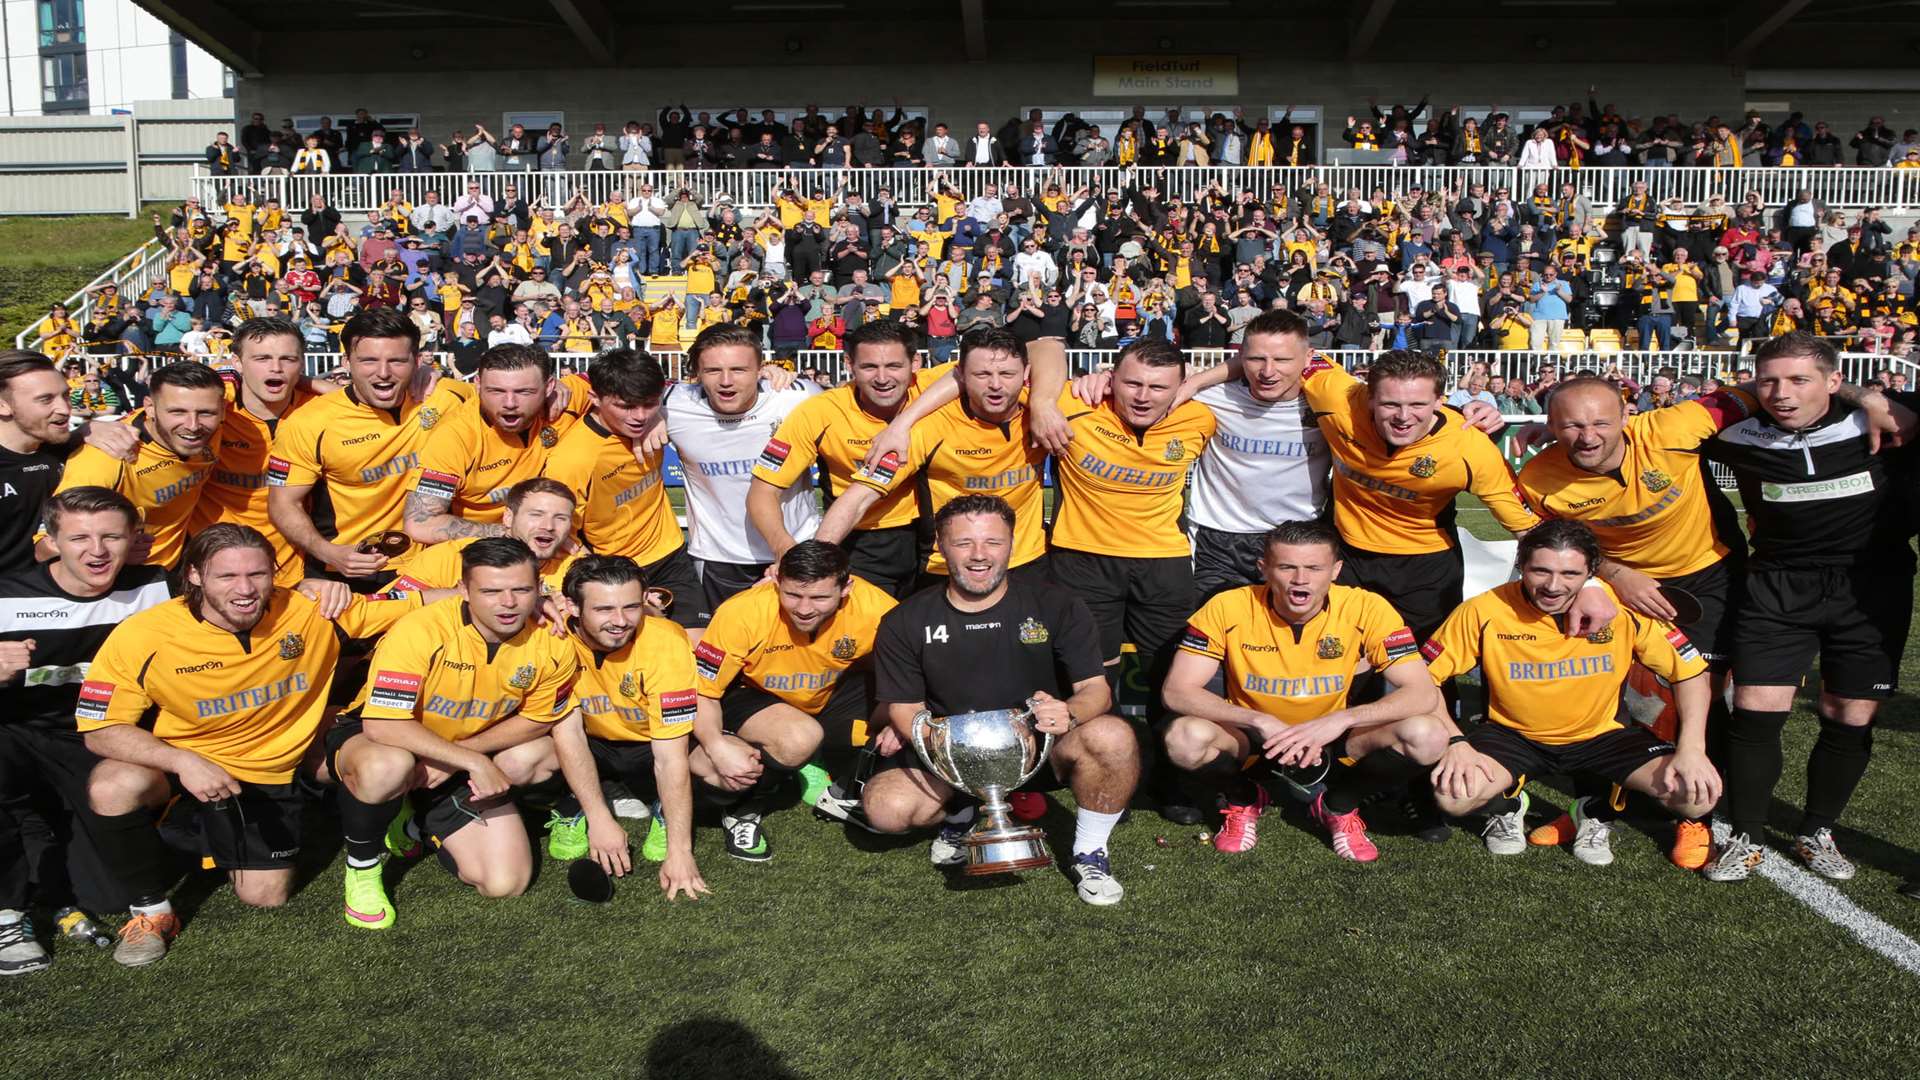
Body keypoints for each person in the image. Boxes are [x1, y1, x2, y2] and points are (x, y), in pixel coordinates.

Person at [78, 525, 421, 964]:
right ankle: (151, 911)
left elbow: (422, 601)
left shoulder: (309, 610)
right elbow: (98, 728)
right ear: (196, 576)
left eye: (257, 574)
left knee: (265, 896)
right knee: (112, 785)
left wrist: (528, 592)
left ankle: (208, 838)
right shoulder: (142, 633)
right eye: (227, 577)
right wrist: (181, 760)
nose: (245, 589)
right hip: (185, 765)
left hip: (267, 772)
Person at [1701, 333, 1918, 882]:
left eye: (1799, 379)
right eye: (1769, 379)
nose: (1782, 393)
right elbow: (1644, 436)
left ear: (1833, 382)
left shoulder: (1891, 425)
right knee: (1755, 709)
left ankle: (1817, 829)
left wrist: (1874, 401)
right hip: (1776, 585)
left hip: (1872, 588)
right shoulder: (1734, 434)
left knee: (1850, 715)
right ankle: (1746, 835)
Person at [863, 495, 1139, 906]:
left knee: (1113, 736)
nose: (979, 556)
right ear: (940, 544)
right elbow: (904, 708)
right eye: (963, 543)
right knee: (888, 810)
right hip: (951, 756)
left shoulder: (1057, 604)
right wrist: (937, 744)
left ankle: (1090, 852)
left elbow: (1094, 689)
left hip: (1039, 748)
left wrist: (1069, 713)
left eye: (993, 542)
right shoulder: (905, 620)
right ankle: (965, 812)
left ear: (1013, 542)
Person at [1424, 521, 1721, 865]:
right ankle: (1509, 804)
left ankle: (1593, 809)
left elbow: (1692, 674)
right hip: (1515, 735)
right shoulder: (1483, 611)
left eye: (1569, 573)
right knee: (1453, 796)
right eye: (1541, 571)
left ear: (1591, 572)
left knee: (1695, 796)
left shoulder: (1621, 608)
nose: (1553, 585)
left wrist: (1693, 749)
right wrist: (1456, 743)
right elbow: (1423, 679)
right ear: (1521, 564)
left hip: (1603, 736)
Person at [324, 538, 581, 929]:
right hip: (382, 739)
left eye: (521, 589)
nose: (508, 602)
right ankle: (363, 868)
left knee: (505, 883)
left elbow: (539, 718)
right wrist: (471, 760)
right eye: (491, 591)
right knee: (386, 767)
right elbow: (383, 723)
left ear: (538, 590)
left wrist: (458, 753)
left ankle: (411, 820)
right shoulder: (421, 628)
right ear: (464, 590)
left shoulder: (553, 639)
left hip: (458, 753)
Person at [1162, 520, 1451, 858]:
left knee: (1428, 735)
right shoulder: (1228, 606)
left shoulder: (1367, 607)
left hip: (1332, 739)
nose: (1301, 579)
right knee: (1183, 739)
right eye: (1287, 567)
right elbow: (1177, 691)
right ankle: (1243, 799)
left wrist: (1341, 720)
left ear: (1335, 570)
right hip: (1251, 738)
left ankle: (1338, 806)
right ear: (1264, 569)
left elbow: (1421, 693)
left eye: (1315, 568)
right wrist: (1258, 720)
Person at [0, 488, 171, 975]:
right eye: (79, 538)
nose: (97, 551)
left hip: (104, 741)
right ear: (51, 540)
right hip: (17, 736)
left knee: (111, 895)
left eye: (111, 536)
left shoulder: (157, 589)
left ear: (133, 538)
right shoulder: (7, 594)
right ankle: (6, 913)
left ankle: (42, 855)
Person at [692, 541, 895, 861]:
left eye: (819, 597)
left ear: (847, 588)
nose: (803, 608)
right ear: (776, 582)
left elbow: (911, 671)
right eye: (793, 594)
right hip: (753, 696)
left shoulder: (877, 608)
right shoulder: (740, 612)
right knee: (797, 739)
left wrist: (896, 716)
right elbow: (703, 692)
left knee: (893, 726)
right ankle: (744, 807)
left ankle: (836, 785)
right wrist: (715, 745)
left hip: (831, 692)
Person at [814, 327, 1050, 586]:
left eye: (1006, 374)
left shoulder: (1046, 411)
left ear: (1026, 374)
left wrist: (1044, 405)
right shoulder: (927, 428)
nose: (995, 384)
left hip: (1028, 563)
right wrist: (813, 561)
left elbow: (1050, 346)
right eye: (982, 374)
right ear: (960, 375)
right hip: (950, 571)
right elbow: (858, 497)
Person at [267, 308, 474, 591]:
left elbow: (510, 397)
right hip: (345, 570)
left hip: (430, 568)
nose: (384, 373)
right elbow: (282, 503)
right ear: (346, 362)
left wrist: (556, 394)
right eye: (368, 361)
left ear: (416, 361)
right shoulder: (309, 422)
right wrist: (329, 553)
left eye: (397, 361)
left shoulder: (446, 398)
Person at [541, 556, 707, 899]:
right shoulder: (551, 641)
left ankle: (663, 808)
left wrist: (681, 852)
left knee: (718, 767)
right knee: (521, 760)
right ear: (571, 606)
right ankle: (575, 803)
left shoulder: (666, 641)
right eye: (604, 609)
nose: (620, 621)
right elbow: (567, 733)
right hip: (591, 741)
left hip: (648, 744)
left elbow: (671, 755)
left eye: (631, 607)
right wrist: (599, 819)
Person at [747, 322, 941, 598]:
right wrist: (784, 550)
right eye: (869, 367)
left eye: (894, 366)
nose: (882, 378)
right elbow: (762, 489)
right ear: (849, 364)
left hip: (934, 539)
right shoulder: (821, 411)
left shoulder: (933, 387)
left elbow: (1007, 357)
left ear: (916, 363)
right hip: (859, 541)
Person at [660, 325, 817, 623]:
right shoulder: (672, 405)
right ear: (696, 373)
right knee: (722, 658)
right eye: (713, 370)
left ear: (761, 369)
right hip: (718, 559)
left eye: (739, 369)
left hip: (796, 548)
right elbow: (605, 392)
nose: (726, 381)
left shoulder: (797, 398)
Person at [540, 349, 704, 629]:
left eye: (649, 404)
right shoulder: (574, 458)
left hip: (672, 556)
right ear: (595, 399)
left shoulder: (656, 419)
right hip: (615, 571)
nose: (640, 416)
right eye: (626, 406)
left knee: (697, 651)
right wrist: (611, 579)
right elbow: (560, 533)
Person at [185, 318, 323, 587]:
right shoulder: (212, 407)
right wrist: (94, 429)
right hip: (216, 568)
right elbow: (157, 416)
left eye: (288, 359)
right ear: (237, 363)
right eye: (262, 358)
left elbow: (362, 406)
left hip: (298, 567)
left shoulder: (320, 410)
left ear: (302, 363)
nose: (276, 368)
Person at [51, 360, 224, 572]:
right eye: (177, 412)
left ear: (222, 410)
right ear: (150, 407)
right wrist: (115, 551)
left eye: (206, 413)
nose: (193, 425)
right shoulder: (107, 456)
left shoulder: (217, 430)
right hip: (122, 580)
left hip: (180, 565)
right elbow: (47, 546)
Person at [402, 344, 585, 544]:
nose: (509, 403)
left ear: (549, 386)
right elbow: (420, 524)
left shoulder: (566, 398)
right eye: (496, 391)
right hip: (486, 550)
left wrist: (563, 387)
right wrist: (513, 534)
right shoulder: (455, 436)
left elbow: (612, 378)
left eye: (524, 392)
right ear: (478, 385)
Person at [383, 478, 579, 595]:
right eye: (536, 515)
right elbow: (385, 607)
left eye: (560, 518)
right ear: (509, 517)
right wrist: (472, 597)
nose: (548, 526)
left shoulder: (575, 574)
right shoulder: (450, 557)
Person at [0, 352, 83, 575]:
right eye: (45, 399)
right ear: (3, 406)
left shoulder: (74, 449)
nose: (65, 409)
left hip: (60, 601)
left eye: (65, 396)